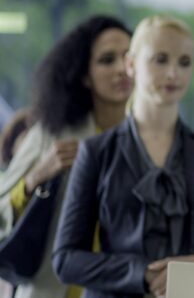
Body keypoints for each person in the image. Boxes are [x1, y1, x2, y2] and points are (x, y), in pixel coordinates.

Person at [53, 15, 194, 298]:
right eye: (161, 59)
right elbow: (65, 259)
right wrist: (141, 273)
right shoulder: (96, 152)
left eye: (184, 62)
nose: (174, 74)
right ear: (131, 64)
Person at [0, 15, 133, 298]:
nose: (122, 68)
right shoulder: (53, 133)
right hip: (53, 290)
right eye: (107, 60)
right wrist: (37, 176)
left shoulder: (148, 141)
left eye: (129, 57)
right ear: (84, 74)